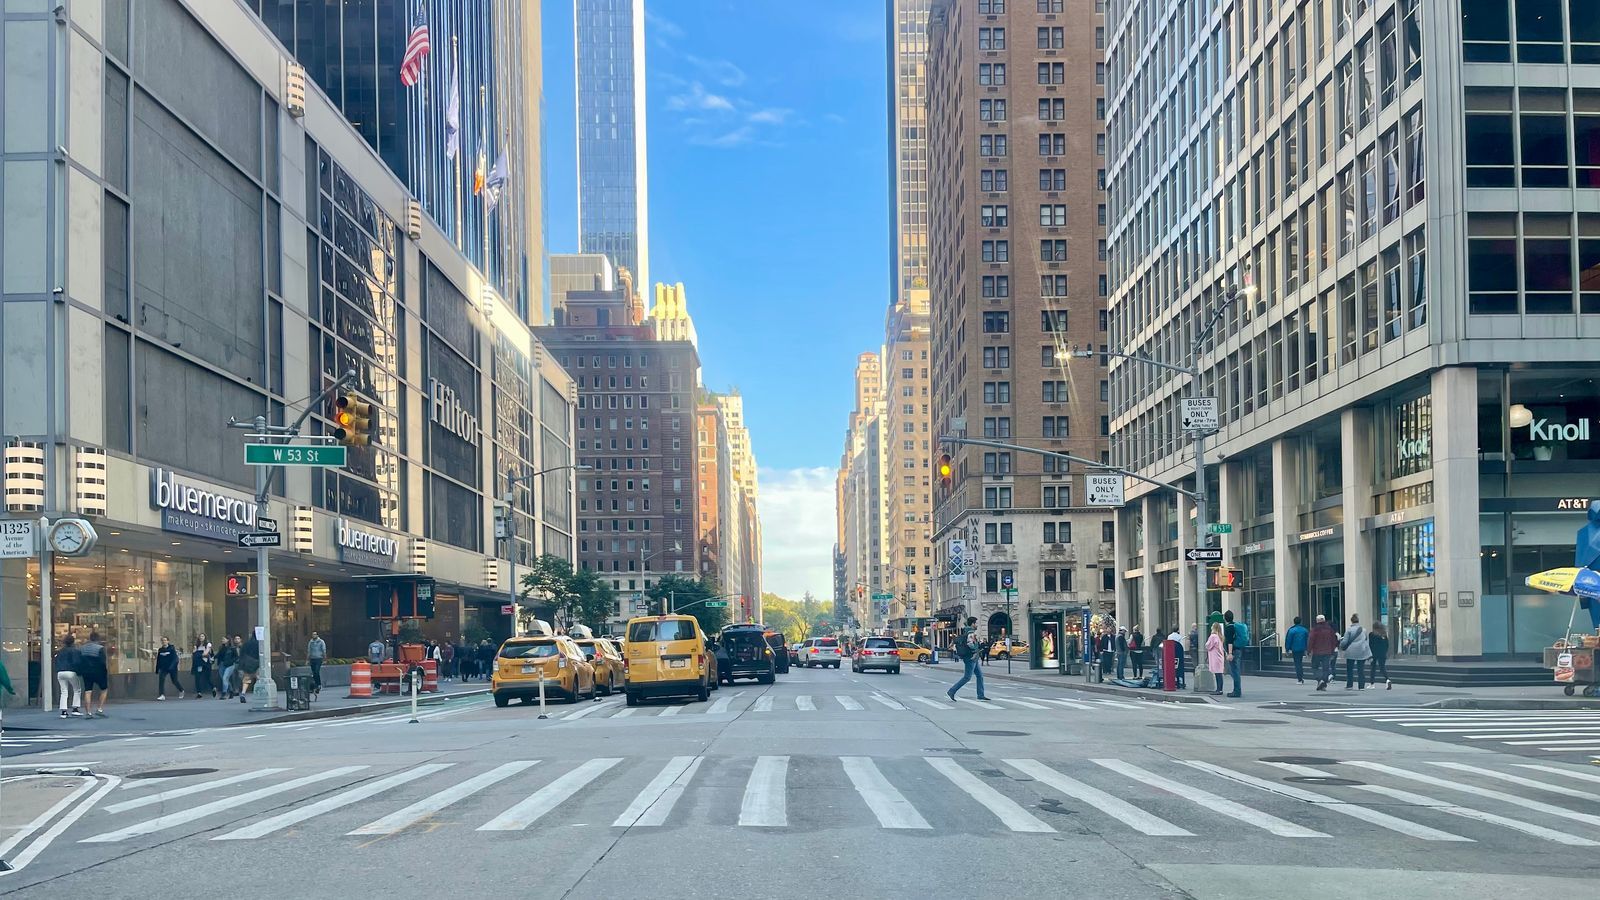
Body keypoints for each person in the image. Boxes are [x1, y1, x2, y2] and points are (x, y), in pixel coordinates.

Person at [947, 616, 988, 701]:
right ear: (973, 624)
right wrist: (975, 650)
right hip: (971, 657)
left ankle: (980, 694)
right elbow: (970, 643)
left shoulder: (967, 631)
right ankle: (952, 691)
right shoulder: (971, 633)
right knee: (967, 677)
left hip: (973, 657)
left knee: (980, 676)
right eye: (976, 623)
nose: (977, 625)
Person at [79, 630, 110, 716]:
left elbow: (80, 660)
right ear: (98, 639)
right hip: (99, 672)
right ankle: (99, 709)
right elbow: (103, 662)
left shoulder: (82, 648)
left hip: (86, 672)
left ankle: (88, 712)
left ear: (90, 638)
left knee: (88, 691)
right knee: (104, 689)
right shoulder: (100, 648)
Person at [55, 633, 85, 718]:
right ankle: (75, 709)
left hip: (60, 672)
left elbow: (56, 661)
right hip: (71, 671)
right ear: (73, 642)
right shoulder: (75, 651)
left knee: (63, 691)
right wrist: (79, 672)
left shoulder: (60, 651)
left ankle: (63, 711)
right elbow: (77, 662)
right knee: (77, 689)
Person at [1308, 614, 1339, 690]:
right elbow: (1333, 641)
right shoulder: (1330, 630)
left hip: (1317, 652)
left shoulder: (1314, 629)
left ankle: (1320, 680)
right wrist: (1332, 651)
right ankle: (1323, 684)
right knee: (1326, 668)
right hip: (1327, 652)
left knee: (1315, 667)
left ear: (1317, 621)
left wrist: (1309, 650)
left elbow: (1311, 640)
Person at [1341, 614, 1372, 690]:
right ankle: (1361, 686)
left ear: (1351, 621)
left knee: (1350, 669)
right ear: (1358, 621)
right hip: (1361, 651)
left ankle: (1350, 685)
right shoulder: (1363, 630)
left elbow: (1345, 641)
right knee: (1361, 669)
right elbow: (1366, 641)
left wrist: (1341, 645)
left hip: (1350, 651)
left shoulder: (1349, 630)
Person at [1222, 610, 1244, 698]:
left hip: (1233, 651)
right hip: (1238, 650)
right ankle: (1237, 690)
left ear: (1225, 618)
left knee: (1234, 671)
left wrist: (1230, 653)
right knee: (1236, 671)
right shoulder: (1235, 626)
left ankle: (1237, 691)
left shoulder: (1229, 628)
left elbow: (1229, 641)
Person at [1285, 617, 1310, 684]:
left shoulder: (1291, 630)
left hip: (1295, 649)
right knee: (1300, 662)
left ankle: (1300, 678)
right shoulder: (1304, 630)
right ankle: (1301, 677)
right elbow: (1308, 640)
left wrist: (1287, 649)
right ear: (1300, 621)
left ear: (1294, 622)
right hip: (1302, 648)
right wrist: (1307, 649)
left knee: (1297, 663)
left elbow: (1288, 640)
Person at [1369, 622, 1392, 689]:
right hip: (1382, 654)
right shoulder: (1384, 635)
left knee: (1373, 668)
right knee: (1382, 668)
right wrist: (1385, 652)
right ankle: (1387, 679)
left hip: (1374, 653)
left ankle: (1372, 684)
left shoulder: (1372, 635)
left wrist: (1370, 654)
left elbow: (1371, 645)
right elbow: (1387, 645)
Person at [238, 634, 261, 702]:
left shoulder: (246, 644)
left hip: (247, 663)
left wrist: (241, 666)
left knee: (246, 680)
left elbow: (241, 655)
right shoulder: (260, 644)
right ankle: (258, 694)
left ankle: (243, 693)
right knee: (258, 678)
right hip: (257, 663)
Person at [216, 636, 240, 700]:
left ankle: (224, 693)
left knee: (225, 678)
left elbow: (236, 657)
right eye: (222, 639)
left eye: (224, 639)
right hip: (222, 664)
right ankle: (231, 691)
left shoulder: (232, 648)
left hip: (230, 665)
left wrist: (231, 661)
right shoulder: (222, 647)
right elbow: (218, 655)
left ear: (228, 640)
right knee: (224, 679)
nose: (222, 640)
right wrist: (213, 658)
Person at [1205, 623, 1226, 695]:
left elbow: (1208, 645)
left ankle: (1218, 689)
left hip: (1215, 657)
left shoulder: (1213, 636)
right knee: (1219, 674)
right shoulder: (1220, 636)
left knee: (1217, 674)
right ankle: (1220, 689)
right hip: (1220, 657)